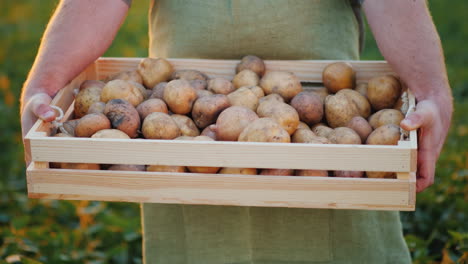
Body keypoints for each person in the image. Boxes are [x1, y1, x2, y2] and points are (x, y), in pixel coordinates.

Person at [20, 0, 453, 263]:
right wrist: (48, 79)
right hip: (186, 147)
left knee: (341, 220)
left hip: (324, 132)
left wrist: (431, 86)